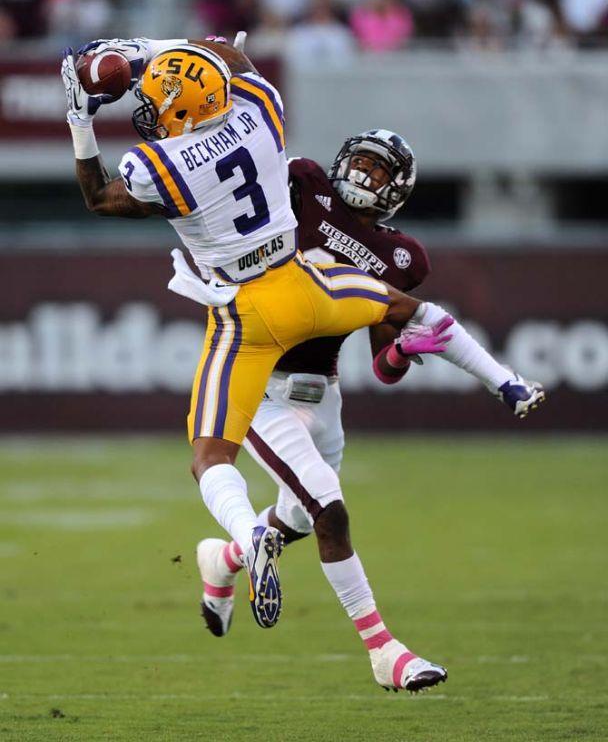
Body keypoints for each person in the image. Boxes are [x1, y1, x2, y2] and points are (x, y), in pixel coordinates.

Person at [60, 34, 464, 692]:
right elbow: (227, 52)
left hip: (248, 319)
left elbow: (100, 195)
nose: (153, 105)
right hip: (293, 302)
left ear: (185, 113)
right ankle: (383, 650)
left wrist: (81, 116)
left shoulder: (166, 164)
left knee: (265, 490)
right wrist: (154, 50)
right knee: (329, 499)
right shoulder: (259, 106)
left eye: (164, 99)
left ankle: (229, 551)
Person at [169, 128, 546, 692]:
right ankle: (384, 651)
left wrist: (401, 351)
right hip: (262, 382)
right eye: (361, 164)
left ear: (398, 189)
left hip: (323, 393)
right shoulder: (303, 189)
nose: (365, 177)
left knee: (298, 517)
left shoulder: (401, 257)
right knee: (329, 511)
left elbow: (385, 365)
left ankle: (223, 559)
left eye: (378, 171)